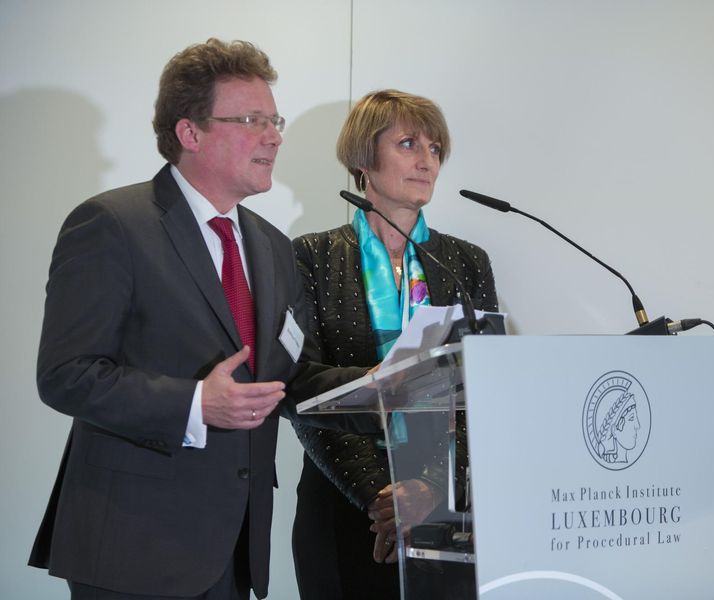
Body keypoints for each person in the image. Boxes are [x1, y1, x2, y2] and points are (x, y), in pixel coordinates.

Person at [28, 39, 365, 600]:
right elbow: (66, 374)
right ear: (190, 133)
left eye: (275, 121)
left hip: (234, 548)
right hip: (132, 545)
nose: (274, 136)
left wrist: (382, 387)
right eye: (253, 120)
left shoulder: (273, 247)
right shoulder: (112, 224)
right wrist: (194, 404)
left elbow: (288, 378)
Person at [286, 89, 498, 599]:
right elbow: (298, 387)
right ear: (363, 159)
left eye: (435, 149)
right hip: (346, 505)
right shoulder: (307, 256)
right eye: (409, 144)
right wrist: (381, 499)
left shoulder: (467, 263)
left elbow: (489, 389)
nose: (427, 161)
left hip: (447, 506)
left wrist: (429, 487)